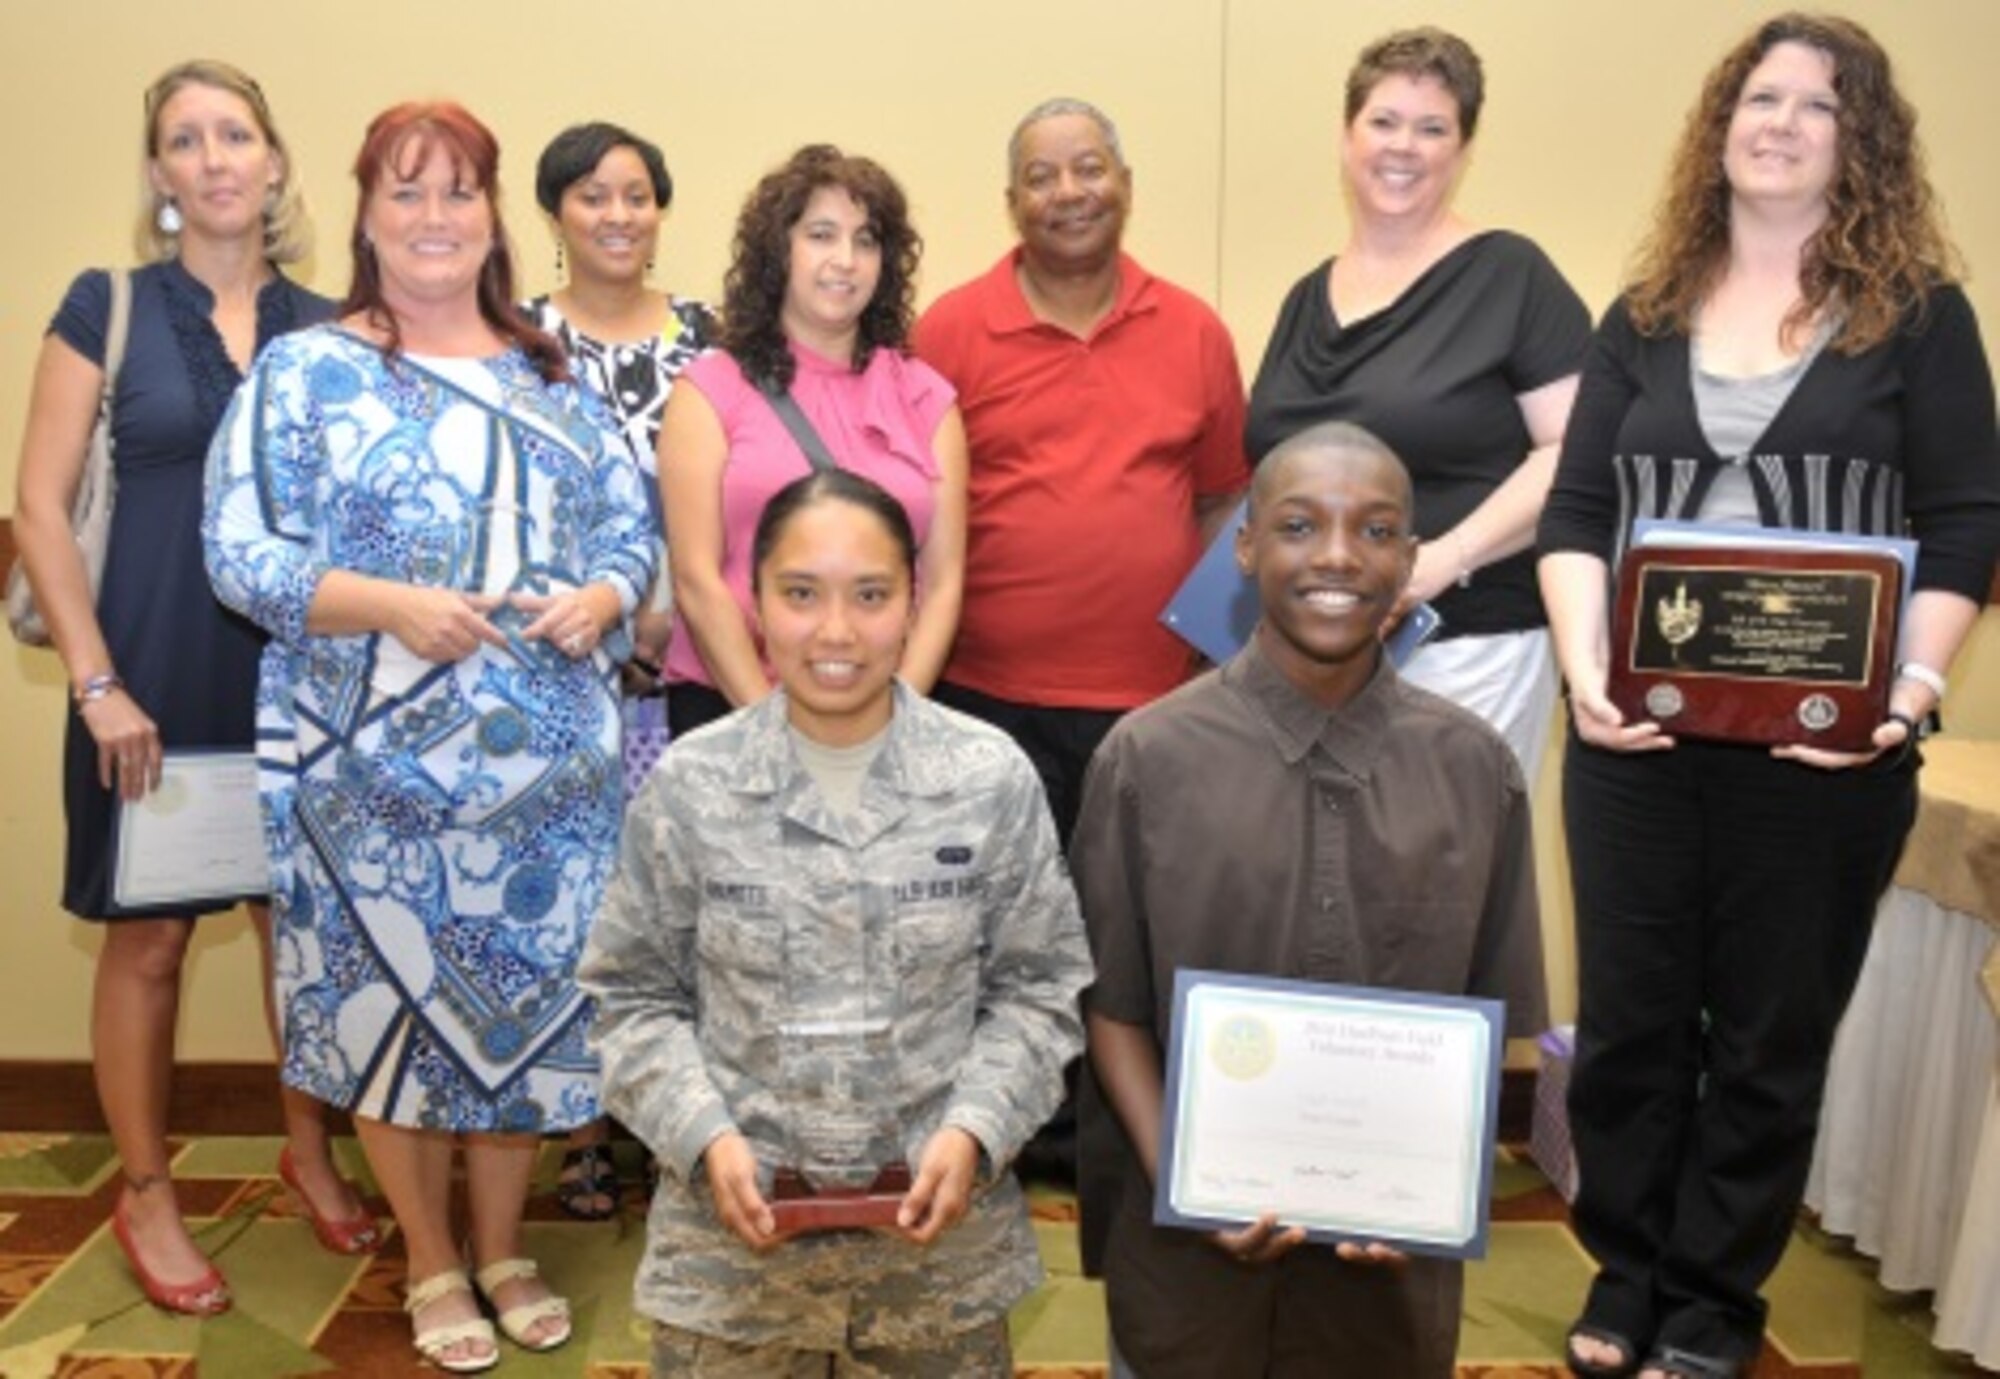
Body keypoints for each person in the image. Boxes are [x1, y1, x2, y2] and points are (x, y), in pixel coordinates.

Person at [1536, 15, 2000, 1378]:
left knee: (1766, 1033)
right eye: (1760, 95)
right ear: (1718, 123)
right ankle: (1625, 1272)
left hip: (1825, 762)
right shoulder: (1643, 314)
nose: (1783, 121)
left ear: (1863, 144)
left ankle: (1714, 1302)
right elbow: (1574, 514)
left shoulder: (1920, 317)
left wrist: (1902, 699)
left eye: (1820, 105)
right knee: (1628, 1024)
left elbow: (1969, 520)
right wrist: (1586, 672)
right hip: (1637, 742)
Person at [205, 100, 655, 1373]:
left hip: (548, 785)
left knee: (517, 1009)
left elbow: (632, 531)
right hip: (370, 785)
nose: (433, 218)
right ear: (363, 214)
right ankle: (431, 1252)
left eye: (458, 192)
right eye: (404, 193)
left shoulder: (550, 366)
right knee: (390, 1013)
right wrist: (387, 603)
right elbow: (238, 553)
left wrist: (607, 595)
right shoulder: (305, 370)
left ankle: (504, 1242)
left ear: (492, 213)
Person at [580, 468, 1091, 1377]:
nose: (837, 631)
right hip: (735, 1270)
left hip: (936, 1269)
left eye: (871, 594)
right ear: (755, 602)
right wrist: (704, 1133)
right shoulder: (693, 783)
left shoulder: (987, 777)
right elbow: (631, 996)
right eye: (801, 593)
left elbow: (1040, 992)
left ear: (913, 602)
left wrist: (975, 1126)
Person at [9, 58, 374, 1319]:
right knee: (151, 937)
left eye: (236, 134)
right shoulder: (104, 304)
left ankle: (309, 1147)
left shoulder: (335, 324)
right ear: (161, 176)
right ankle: (148, 1189)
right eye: (186, 139)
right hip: (146, 672)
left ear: (274, 163)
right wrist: (97, 683)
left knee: (300, 933)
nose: (215, 157)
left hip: (292, 678)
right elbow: (39, 511)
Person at [1072, 422, 1547, 1379]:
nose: (1337, 555)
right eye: (1299, 524)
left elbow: (1488, 1028)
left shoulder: (1474, 769)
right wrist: (1187, 1179)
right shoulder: (1146, 758)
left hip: (1386, 1288)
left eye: (1375, 531)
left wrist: (1427, 1190)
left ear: (1411, 559)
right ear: (1245, 546)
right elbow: (1109, 1009)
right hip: (1189, 1269)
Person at [1244, 27, 1590, 781]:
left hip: (1467, 645)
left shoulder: (1512, 276)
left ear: (1463, 152)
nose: (1404, 146)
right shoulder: (1307, 296)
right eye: (1384, 122)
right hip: (1315, 653)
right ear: (1346, 136)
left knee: (1437, 880)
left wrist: (1436, 563)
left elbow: (1576, 452)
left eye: (1433, 128)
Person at [913, 96, 1249, 847]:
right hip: (982, 702)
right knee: (995, 940)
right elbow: (911, 512)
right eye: (1042, 176)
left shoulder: (1196, 331)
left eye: (1089, 169)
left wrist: (1212, 657)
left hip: (1156, 703)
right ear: (1012, 204)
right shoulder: (948, 331)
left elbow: (1226, 498)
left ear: (1125, 185)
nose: (1068, 191)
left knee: (1132, 937)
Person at [524, 119, 716, 1222]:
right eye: (593, 195)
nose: (617, 215)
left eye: (637, 195)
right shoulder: (516, 340)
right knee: (582, 900)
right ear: (555, 211)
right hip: (558, 662)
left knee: (675, 899)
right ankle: (581, 1129)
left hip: (683, 660)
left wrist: (666, 615)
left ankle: (670, 1118)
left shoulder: (706, 337)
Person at [659, 144, 967, 737]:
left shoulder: (928, 399)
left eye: (867, 240)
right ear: (781, 251)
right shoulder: (710, 390)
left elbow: (944, 580)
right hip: (731, 710)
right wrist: (770, 730)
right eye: (821, 235)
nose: (845, 260)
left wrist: (897, 718)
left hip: (883, 718)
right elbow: (696, 579)